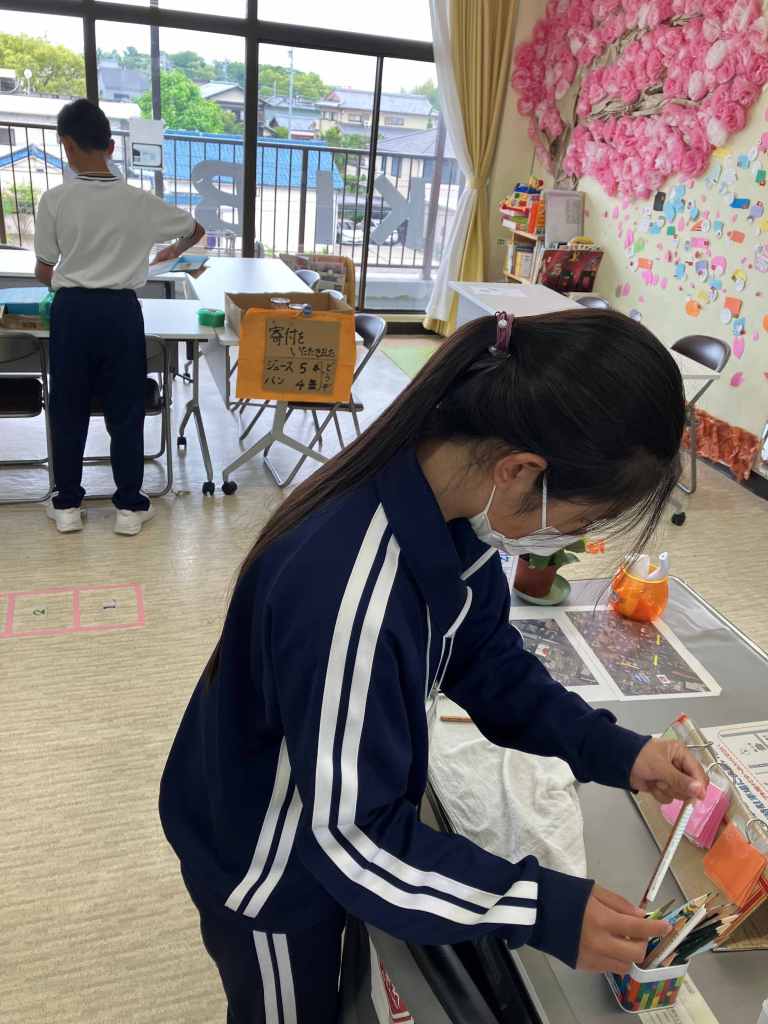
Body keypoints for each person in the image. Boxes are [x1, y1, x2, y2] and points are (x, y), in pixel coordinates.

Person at [160, 310, 708, 1023]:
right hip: (269, 864)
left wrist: (616, 750)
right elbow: (352, 840)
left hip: (324, 808)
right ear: (520, 471)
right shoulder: (348, 594)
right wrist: (539, 907)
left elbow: (485, 659)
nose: (562, 540)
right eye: (576, 523)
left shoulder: (451, 504)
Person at [34, 98, 205, 536]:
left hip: (72, 312)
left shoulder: (54, 200)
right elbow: (195, 230)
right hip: (121, 312)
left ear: (67, 145)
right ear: (111, 146)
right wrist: (169, 252)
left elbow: (44, 270)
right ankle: (129, 507)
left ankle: (67, 505)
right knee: (125, 408)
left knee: (68, 407)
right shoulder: (140, 202)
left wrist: (73, 274)